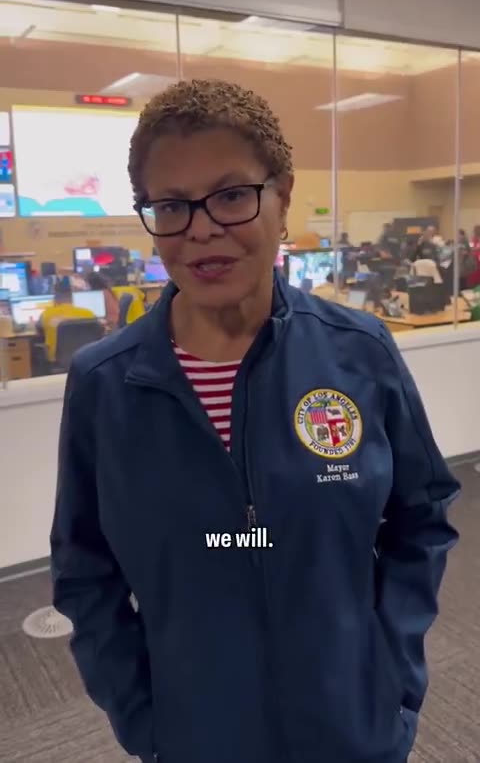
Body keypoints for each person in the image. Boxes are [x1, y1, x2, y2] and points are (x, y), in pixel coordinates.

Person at [50, 79, 460, 763]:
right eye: (172, 206)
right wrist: (145, 720)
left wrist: (389, 681)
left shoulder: (358, 352)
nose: (202, 229)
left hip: (350, 732)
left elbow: (422, 519)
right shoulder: (106, 385)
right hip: (196, 739)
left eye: (232, 195)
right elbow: (84, 572)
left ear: (283, 195)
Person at [37, 278, 95, 363]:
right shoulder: (88, 313)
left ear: (55, 299)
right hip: (86, 359)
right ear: (72, 298)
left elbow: (39, 330)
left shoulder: (46, 314)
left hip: (57, 360)